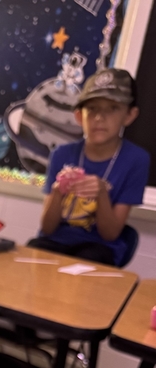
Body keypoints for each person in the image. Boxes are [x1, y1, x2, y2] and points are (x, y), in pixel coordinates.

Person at [30, 68, 149, 267]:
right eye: (92, 108)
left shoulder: (136, 160)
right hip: (54, 242)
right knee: (32, 255)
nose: (99, 118)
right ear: (79, 116)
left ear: (129, 115)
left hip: (99, 248)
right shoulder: (62, 154)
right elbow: (47, 228)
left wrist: (102, 194)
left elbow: (110, 234)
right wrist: (58, 192)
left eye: (112, 108)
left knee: (88, 260)